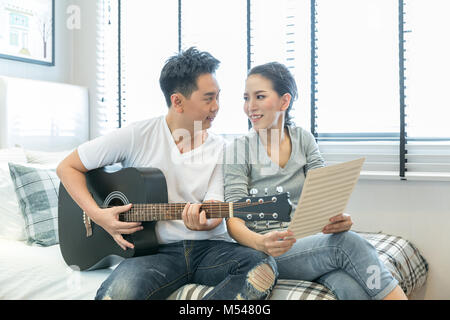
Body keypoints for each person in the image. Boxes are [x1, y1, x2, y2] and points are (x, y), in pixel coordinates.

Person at [56, 47, 277, 300]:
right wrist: (98, 215)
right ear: (177, 101)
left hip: (211, 249)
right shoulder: (136, 135)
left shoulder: (223, 149)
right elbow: (67, 167)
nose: (217, 107)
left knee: (262, 267)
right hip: (152, 253)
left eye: (218, 97)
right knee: (116, 295)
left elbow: (215, 206)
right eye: (208, 98)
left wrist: (205, 221)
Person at [223, 61, 408, 300]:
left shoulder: (303, 139)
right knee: (347, 245)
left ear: (284, 101)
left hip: (310, 242)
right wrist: (261, 244)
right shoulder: (239, 149)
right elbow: (233, 220)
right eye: (246, 98)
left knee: (349, 286)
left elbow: (324, 194)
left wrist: (339, 219)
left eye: (259, 96)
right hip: (271, 250)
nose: (250, 107)